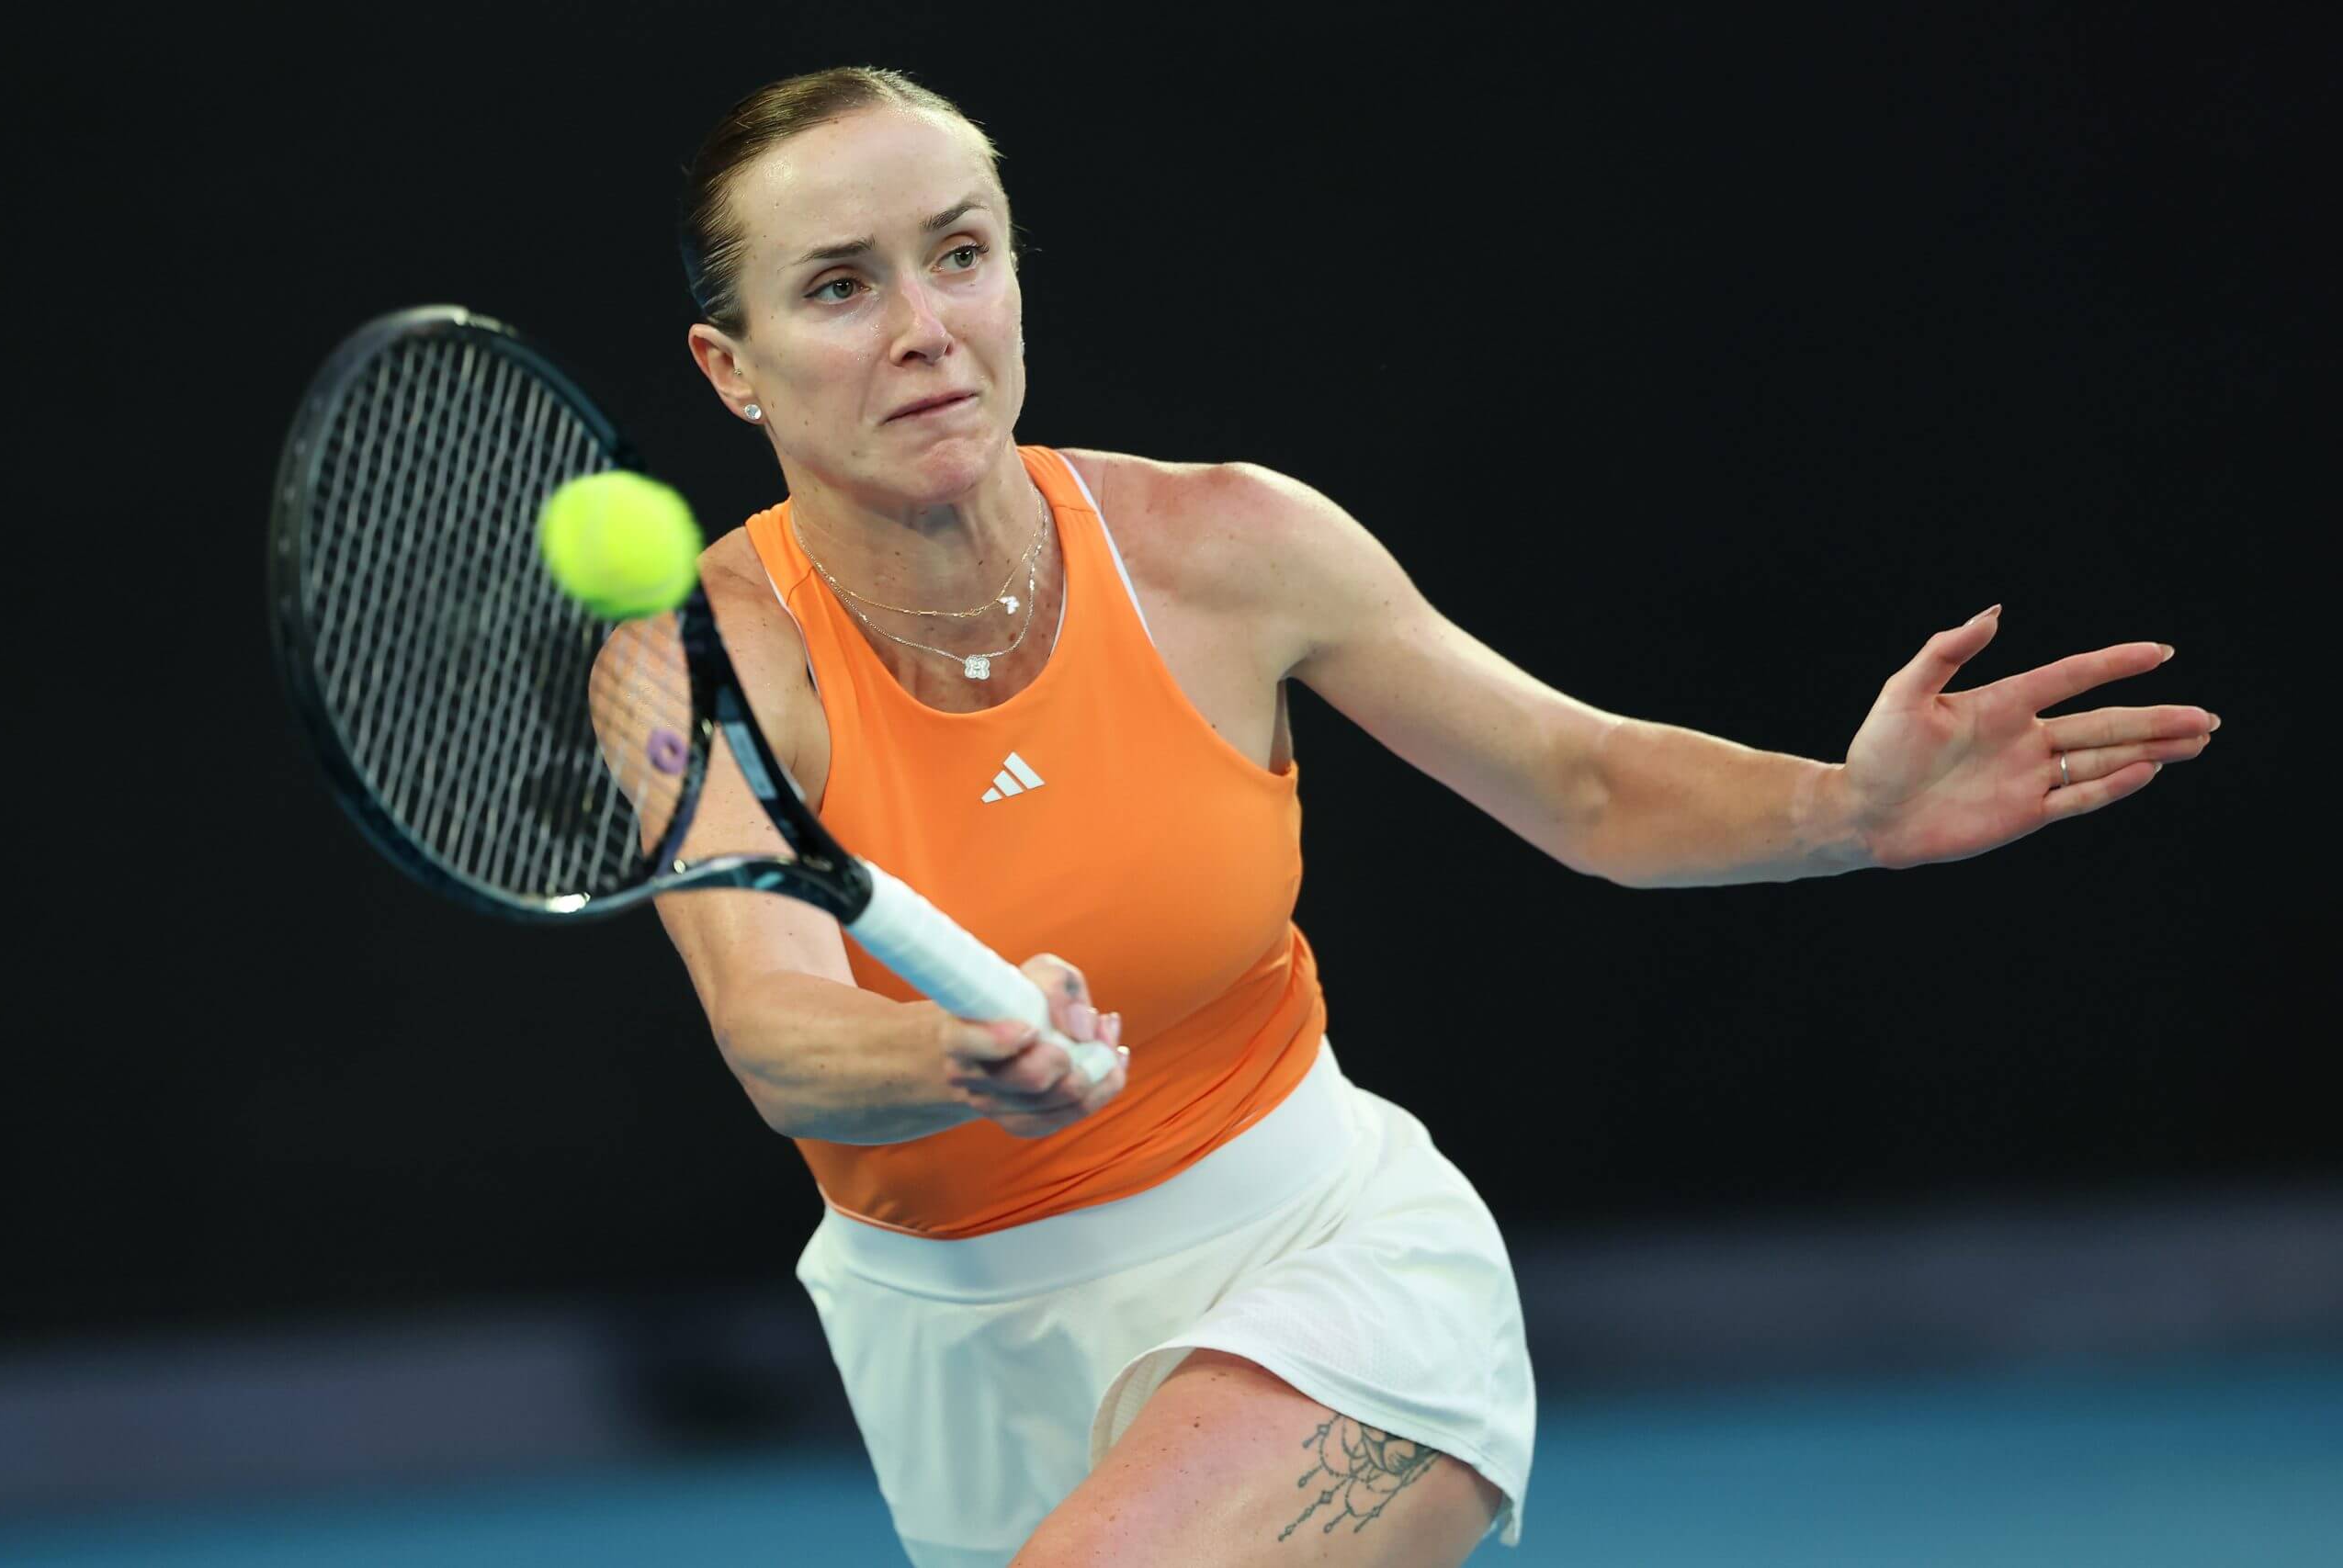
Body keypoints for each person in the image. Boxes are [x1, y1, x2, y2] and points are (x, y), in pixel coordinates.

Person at [653, 66, 2215, 1568]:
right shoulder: (700, 665)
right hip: (954, 1351)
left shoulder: (1227, 544)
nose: (927, 328)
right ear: (733, 367)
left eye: (961, 255)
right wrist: (956, 1055)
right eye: (842, 287)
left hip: (1323, 1259)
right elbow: (777, 1030)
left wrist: (1849, 808)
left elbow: (1585, 785)